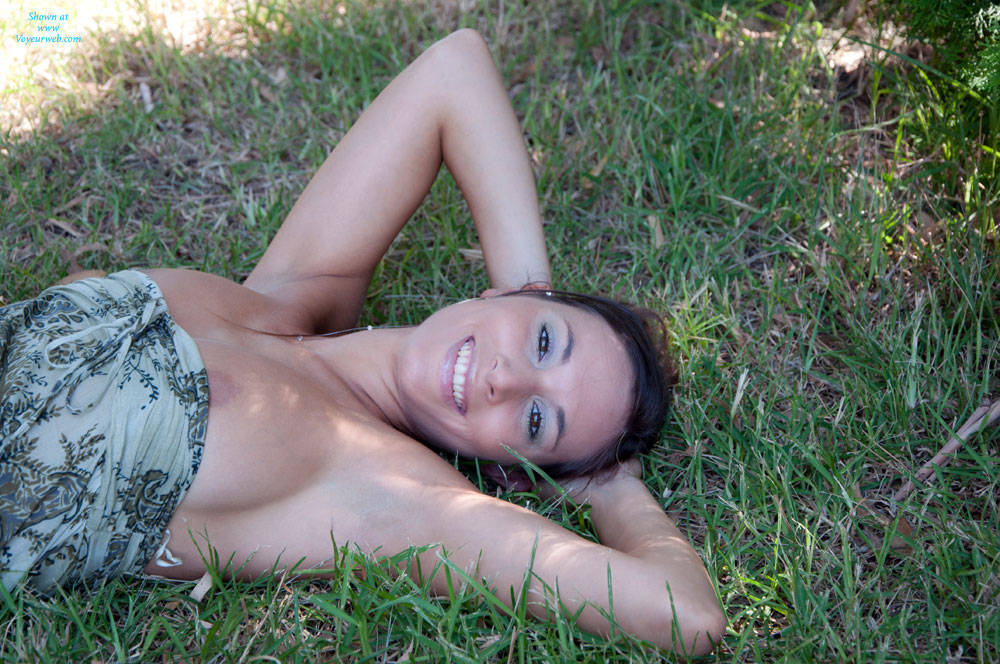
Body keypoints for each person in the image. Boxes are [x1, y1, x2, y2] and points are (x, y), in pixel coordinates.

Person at [0, 29, 724, 654]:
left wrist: (612, 486)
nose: (504, 379)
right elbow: (456, 67)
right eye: (542, 341)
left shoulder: (391, 496)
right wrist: (527, 289)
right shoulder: (293, 294)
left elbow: (686, 617)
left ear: (508, 473)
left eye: (537, 420)